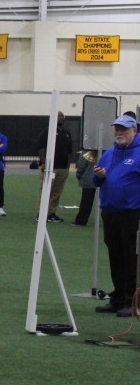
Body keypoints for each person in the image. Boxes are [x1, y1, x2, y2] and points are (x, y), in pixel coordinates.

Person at [92, 115, 140, 317]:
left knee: (131, 257)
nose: (119, 133)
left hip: (132, 213)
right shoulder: (110, 152)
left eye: (124, 129)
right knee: (115, 255)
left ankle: (132, 301)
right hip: (110, 212)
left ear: (134, 131)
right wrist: (99, 175)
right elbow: (96, 181)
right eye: (117, 129)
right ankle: (118, 297)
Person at [37, 111, 73, 222]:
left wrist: (68, 166)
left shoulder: (66, 134)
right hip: (50, 168)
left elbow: (69, 151)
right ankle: (41, 214)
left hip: (63, 168)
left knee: (57, 192)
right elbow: (41, 148)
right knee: (46, 191)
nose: (61, 118)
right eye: (58, 116)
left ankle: (51, 214)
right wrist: (44, 163)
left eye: (62, 116)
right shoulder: (47, 132)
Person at [72, 149, 98, 226]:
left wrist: (79, 175)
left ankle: (81, 220)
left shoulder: (86, 150)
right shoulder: (109, 150)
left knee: (86, 201)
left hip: (89, 179)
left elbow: (81, 165)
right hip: (106, 179)